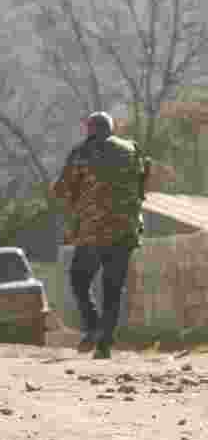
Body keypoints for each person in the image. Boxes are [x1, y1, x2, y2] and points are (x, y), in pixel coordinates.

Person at [50, 111, 150, 359]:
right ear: (111, 129)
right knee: (113, 289)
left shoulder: (83, 152)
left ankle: (93, 325)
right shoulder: (132, 149)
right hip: (125, 231)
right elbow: (142, 183)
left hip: (94, 232)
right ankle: (105, 346)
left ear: (90, 130)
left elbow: (61, 190)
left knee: (79, 279)